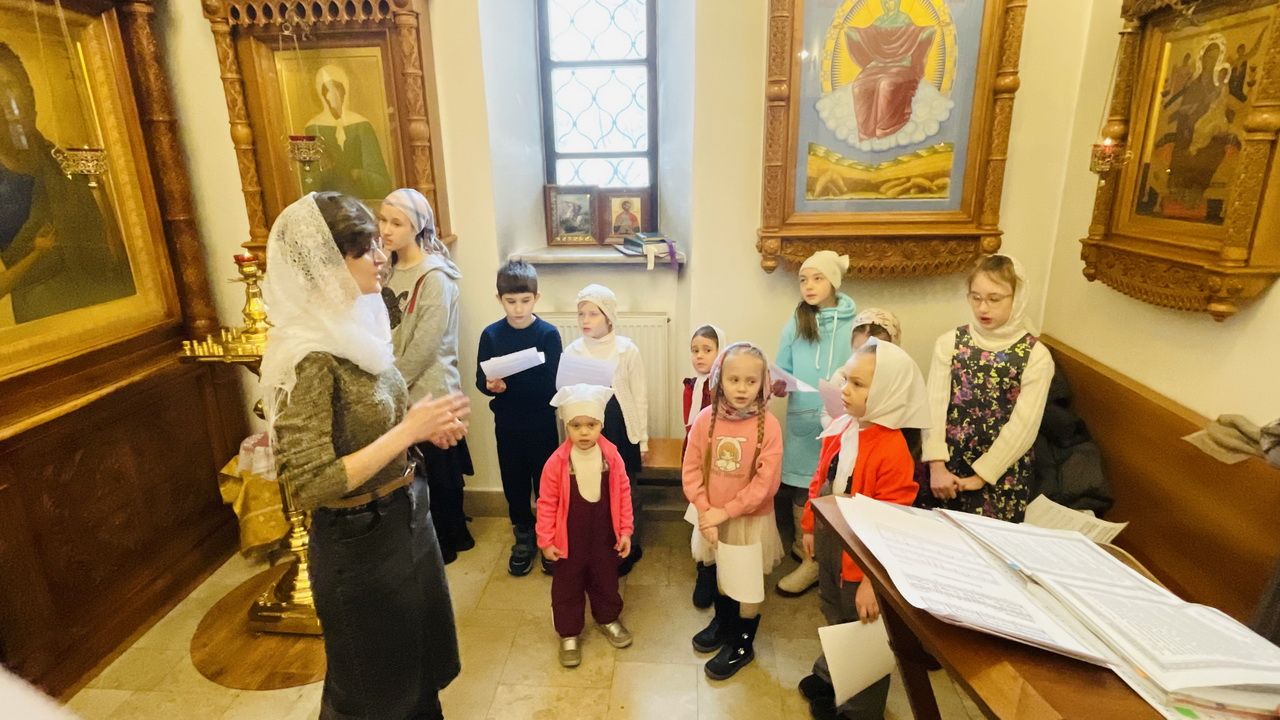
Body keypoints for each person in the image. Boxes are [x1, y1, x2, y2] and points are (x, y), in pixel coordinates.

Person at [261, 191, 470, 719]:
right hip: (358, 541)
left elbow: (371, 425)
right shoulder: (309, 356)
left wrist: (421, 429)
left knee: (420, 672)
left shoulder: (359, 325)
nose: (381, 256)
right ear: (329, 266)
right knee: (374, 691)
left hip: (406, 517)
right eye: (366, 250)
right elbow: (309, 482)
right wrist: (405, 433)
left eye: (380, 242)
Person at [796, 339, 929, 719]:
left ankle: (860, 709)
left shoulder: (892, 449)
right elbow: (820, 480)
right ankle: (832, 674)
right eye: (846, 380)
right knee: (833, 610)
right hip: (832, 540)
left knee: (863, 629)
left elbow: (889, 525)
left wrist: (873, 581)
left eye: (857, 384)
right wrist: (810, 525)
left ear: (887, 391)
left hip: (864, 558)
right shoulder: (843, 428)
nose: (844, 390)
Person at [0, 42, 134, 324]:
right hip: (46, 320)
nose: (5, 106)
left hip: (111, 303)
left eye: (9, 87)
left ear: (30, 97)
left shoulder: (65, 162)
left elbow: (114, 245)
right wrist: (37, 255)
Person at [379, 187, 475, 565]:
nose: (386, 230)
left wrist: (390, 386)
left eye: (396, 223)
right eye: (383, 220)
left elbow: (426, 345)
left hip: (429, 388)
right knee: (413, 472)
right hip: (398, 385)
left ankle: (447, 542)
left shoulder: (434, 277)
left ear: (417, 227)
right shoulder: (387, 271)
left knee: (439, 473)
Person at [922, 254, 1054, 522]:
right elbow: (933, 407)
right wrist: (936, 465)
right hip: (946, 467)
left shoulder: (1036, 356)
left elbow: (1024, 426)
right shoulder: (949, 343)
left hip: (1001, 472)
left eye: (995, 299)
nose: (983, 308)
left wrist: (982, 476)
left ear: (1017, 298)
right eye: (976, 297)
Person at [779, 307, 900, 597]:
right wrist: (841, 428)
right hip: (841, 454)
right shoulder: (842, 378)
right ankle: (817, 564)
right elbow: (827, 412)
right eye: (859, 351)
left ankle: (863, 578)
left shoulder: (896, 395)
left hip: (871, 475)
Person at [682, 342, 784, 681]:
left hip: (748, 519)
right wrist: (704, 510)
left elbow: (765, 484)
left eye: (751, 381)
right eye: (733, 380)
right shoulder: (705, 420)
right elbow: (692, 470)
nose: (741, 389)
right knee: (722, 573)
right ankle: (724, 623)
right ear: (719, 380)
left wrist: (725, 512)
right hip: (712, 514)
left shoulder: (769, 426)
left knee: (747, 581)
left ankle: (743, 641)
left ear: (762, 383)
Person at [537, 383, 635, 668]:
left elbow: (624, 493)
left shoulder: (611, 457)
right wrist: (546, 540)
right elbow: (546, 503)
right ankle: (568, 632)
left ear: (601, 424)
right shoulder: (556, 463)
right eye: (576, 425)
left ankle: (608, 617)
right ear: (566, 426)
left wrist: (625, 530)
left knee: (606, 579)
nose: (583, 432)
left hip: (604, 534)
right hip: (569, 538)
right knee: (567, 585)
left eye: (590, 425)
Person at [476, 259, 563, 576]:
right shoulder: (491, 335)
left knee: (546, 482)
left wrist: (515, 382)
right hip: (508, 423)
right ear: (499, 299)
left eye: (525, 301)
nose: (518, 308)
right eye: (511, 301)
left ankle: (548, 536)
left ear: (536, 298)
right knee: (513, 481)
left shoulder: (548, 334)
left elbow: (555, 382)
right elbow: (480, 380)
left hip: (541, 422)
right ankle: (523, 535)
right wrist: (491, 386)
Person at [775, 251, 856, 583]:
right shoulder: (797, 322)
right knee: (801, 487)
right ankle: (804, 551)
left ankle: (828, 557)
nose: (808, 286)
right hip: (803, 419)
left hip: (840, 420)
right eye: (803, 280)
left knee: (833, 484)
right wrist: (779, 384)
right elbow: (783, 368)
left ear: (833, 281)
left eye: (817, 278)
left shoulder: (855, 323)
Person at [563, 284, 648, 574]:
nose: (585, 320)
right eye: (581, 314)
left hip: (621, 428)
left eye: (593, 314)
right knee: (593, 487)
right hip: (588, 431)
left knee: (624, 488)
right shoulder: (573, 351)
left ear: (609, 316)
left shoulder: (626, 350)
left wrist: (643, 439)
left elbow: (639, 396)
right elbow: (565, 397)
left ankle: (628, 545)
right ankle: (599, 545)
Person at [301, 64, 393, 200]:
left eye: (337, 88)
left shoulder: (362, 125)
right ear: (321, 94)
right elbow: (309, 180)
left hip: (361, 201)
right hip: (329, 203)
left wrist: (358, 174)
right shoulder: (312, 128)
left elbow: (380, 179)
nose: (333, 95)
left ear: (345, 90)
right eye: (327, 89)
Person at [684, 323, 725, 608]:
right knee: (699, 509)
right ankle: (705, 569)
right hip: (695, 455)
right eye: (695, 350)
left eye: (707, 350)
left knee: (717, 514)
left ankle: (720, 567)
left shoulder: (722, 387)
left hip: (719, 461)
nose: (699, 356)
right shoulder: (691, 384)